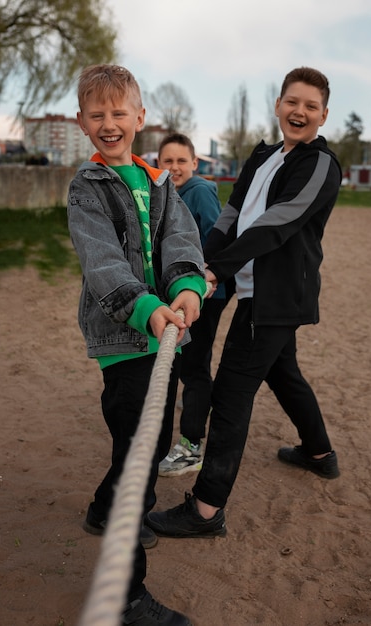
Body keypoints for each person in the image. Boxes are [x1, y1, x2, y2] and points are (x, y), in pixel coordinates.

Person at [145, 66, 342, 541]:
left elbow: (279, 222)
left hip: (276, 297)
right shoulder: (263, 155)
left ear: (323, 115)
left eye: (311, 106)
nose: (300, 112)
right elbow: (231, 215)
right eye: (292, 101)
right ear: (278, 105)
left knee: (232, 394)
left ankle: (207, 511)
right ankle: (320, 454)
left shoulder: (320, 163)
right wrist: (202, 263)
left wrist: (217, 271)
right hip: (252, 287)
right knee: (283, 371)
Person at [67, 64, 206, 626]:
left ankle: (105, 510)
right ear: (81, 122)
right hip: (126, 340)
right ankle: (125, 597)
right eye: (96, 114)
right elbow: (101, 261)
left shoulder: (158, 181)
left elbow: (179, 240)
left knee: (143, 445)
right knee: (140, 453)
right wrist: (147, 309)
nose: (108, 122)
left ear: (140, 118)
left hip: (166, 335)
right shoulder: (86, 187)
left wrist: (188, 287)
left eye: (118, 112)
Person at [156, 133, 227, 477]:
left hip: (206, 293)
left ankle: (191, 445)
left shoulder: (198, 191)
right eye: (167, 161)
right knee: (185, 366)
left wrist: (205, 280)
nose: (175, 167)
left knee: (195, 367)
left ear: (195, 163)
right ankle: (194, 411)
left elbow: (215, 237)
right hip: (183, 291)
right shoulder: (165, 193)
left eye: (182, 161)